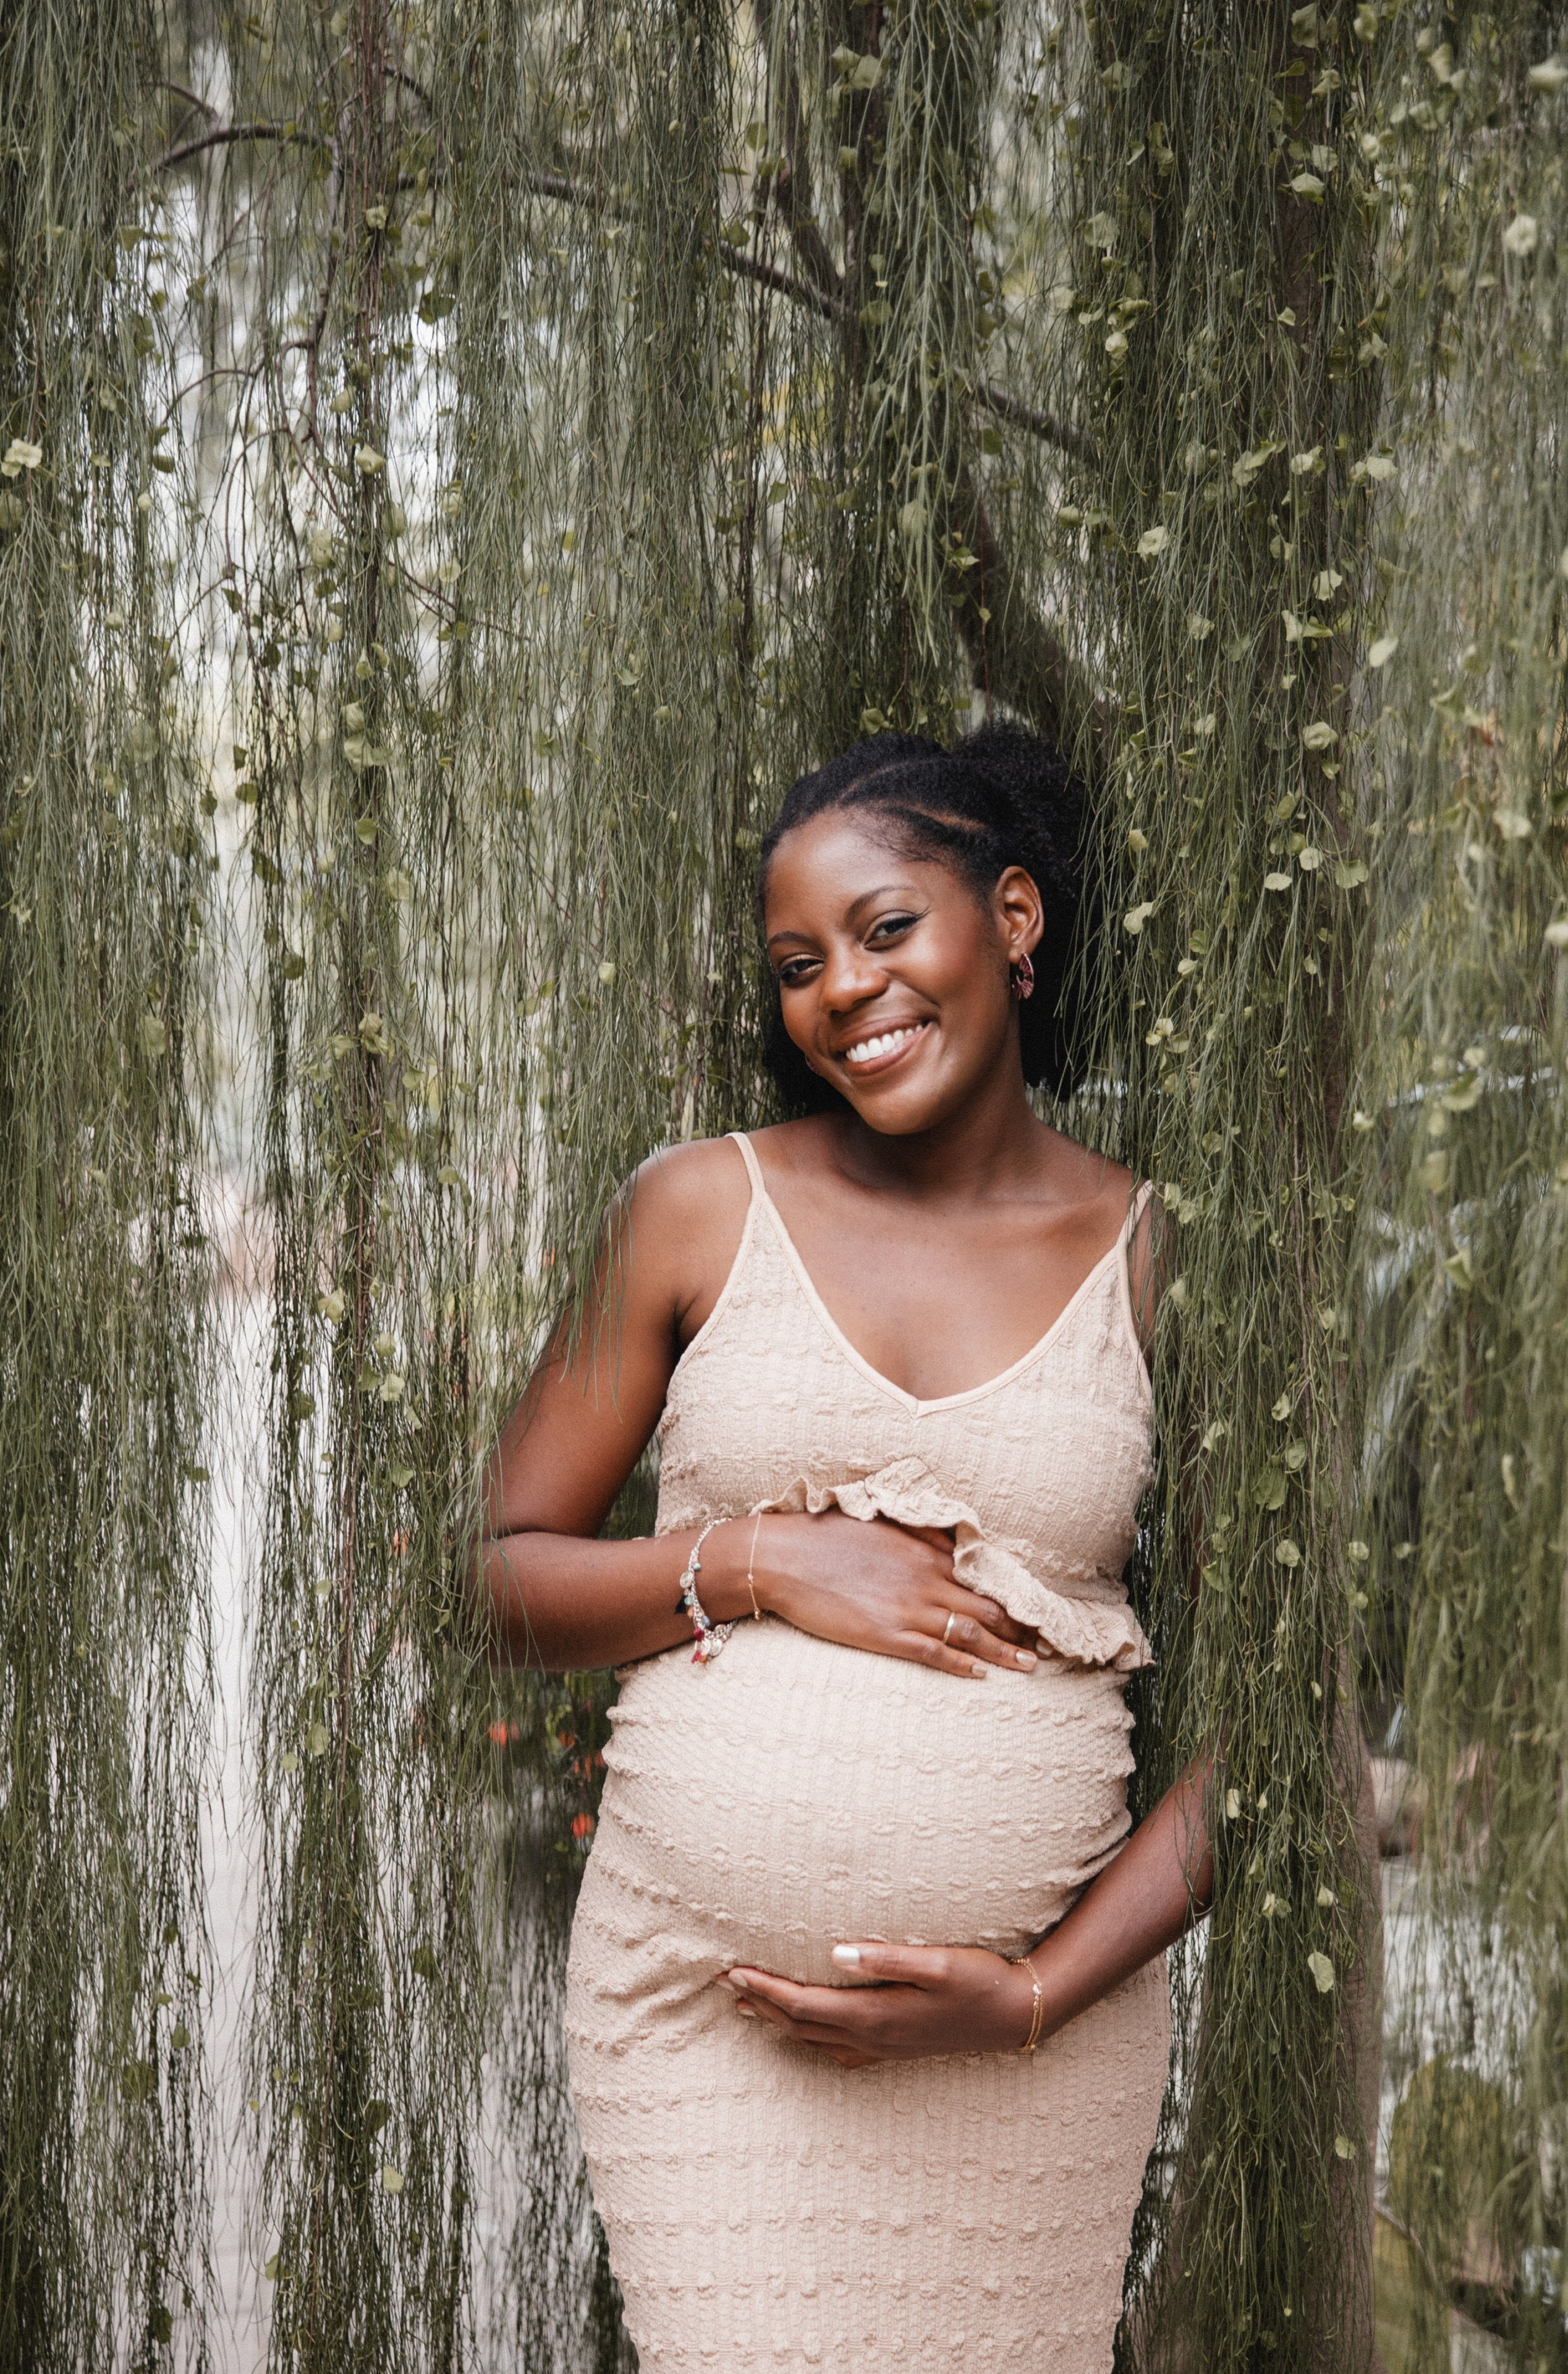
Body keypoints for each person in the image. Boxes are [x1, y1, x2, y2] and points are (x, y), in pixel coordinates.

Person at [476, 725, 1213, 2372]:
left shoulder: (1158, 1250)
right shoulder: (694, 1208)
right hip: (711, 2024)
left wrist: (1035, 1995)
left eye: (889, 930)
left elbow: (1280, 1717)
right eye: (799, 964)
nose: (844, 992)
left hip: (1038, 2046)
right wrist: (753, 1561)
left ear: (1013, 920)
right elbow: (506, 1575)